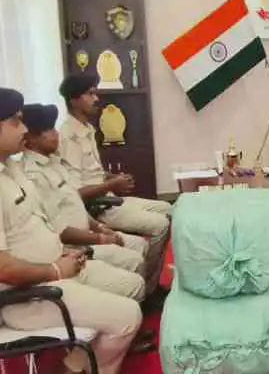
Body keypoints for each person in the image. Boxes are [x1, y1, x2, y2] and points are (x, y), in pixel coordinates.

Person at [0, 88, 144, 374]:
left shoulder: (11, 170)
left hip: (58, 268)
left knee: (131, 285)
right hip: (29, 295)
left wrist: (63, 254)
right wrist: (55, 270)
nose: (25, 129)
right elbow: (3, 266)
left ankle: (75, 366)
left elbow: (40, 225)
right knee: (128, 316)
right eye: (16, 121)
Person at [57, 74, 170, 297]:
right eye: (90, 94)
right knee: (161, 225)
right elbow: (76, 192)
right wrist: (112, 184)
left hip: (108, 196)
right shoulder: (68, 137)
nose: (96, 98)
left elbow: (92, 173)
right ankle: (149, 289)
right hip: (98, 207)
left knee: (168, 209)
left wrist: (113, 177)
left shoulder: (87, 129)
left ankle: (148, 281)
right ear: (74, 100)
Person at [21, 103, 148, 276]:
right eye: (49, 130)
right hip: (72, 247)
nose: (56, 134)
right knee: (134, 261)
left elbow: (75, 203)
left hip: (88, 232)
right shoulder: (34, 175)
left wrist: (99, 227)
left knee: (140, 245)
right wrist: (101, 239)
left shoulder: (54, 163)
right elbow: (59, 231)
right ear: (30, 138)